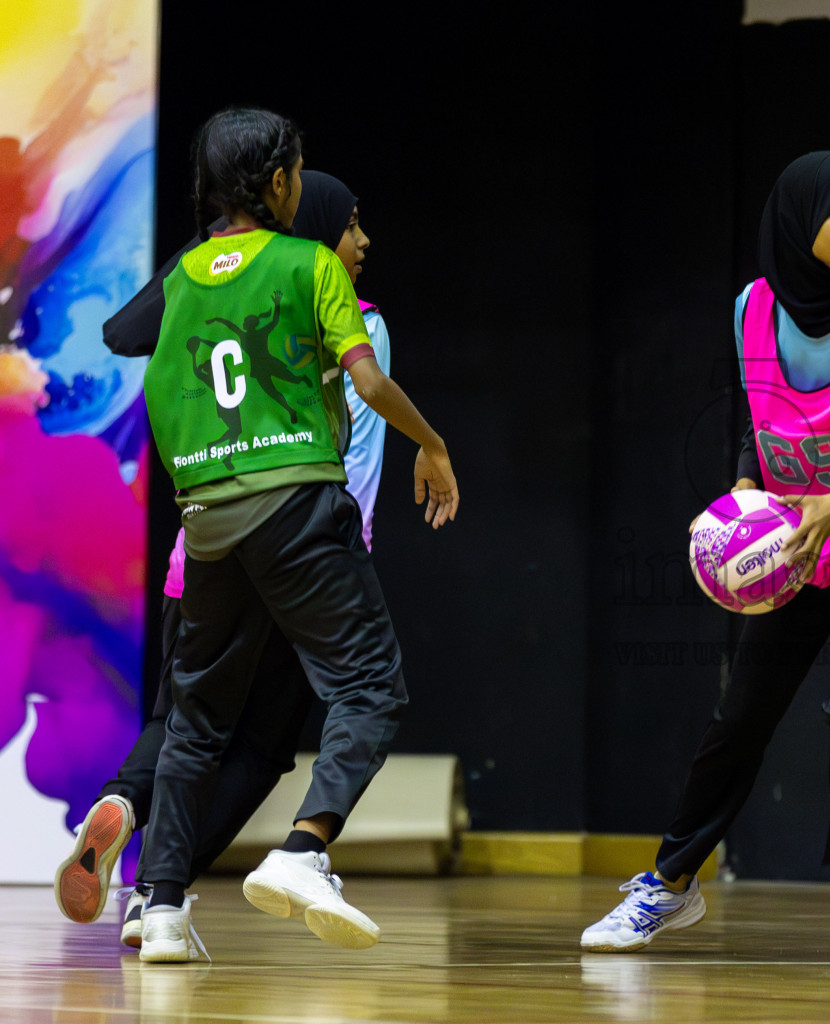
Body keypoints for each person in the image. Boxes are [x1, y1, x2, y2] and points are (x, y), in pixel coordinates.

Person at [581, 151, 830, 965]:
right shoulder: (752, 309)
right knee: (740, 715)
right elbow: (764, 415)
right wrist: (745, 490)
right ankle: (669, 884)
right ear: (799, 225)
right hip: (798, 534)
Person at [133, 108, 457, 964]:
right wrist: (431, 443)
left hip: (207, 515)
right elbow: (368, 379)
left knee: (195, 720)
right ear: (280, 184)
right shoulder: (309, 263)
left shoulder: (184, 278)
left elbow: (147, 374)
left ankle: (160, 908)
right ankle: (306, 851)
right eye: (301, 172)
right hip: (296, 506)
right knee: (370, 687)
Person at [53, 172, 387, 951]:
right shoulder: (345, 312)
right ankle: (156, 894)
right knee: (267, 744)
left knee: (184, 725)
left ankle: (128, 818)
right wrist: (349, 553)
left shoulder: (203, 297)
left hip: (198, 546)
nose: (364, 243)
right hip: (301, 548)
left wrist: (204, 255)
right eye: (352, 224)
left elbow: (123, 333)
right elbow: (358, 457)